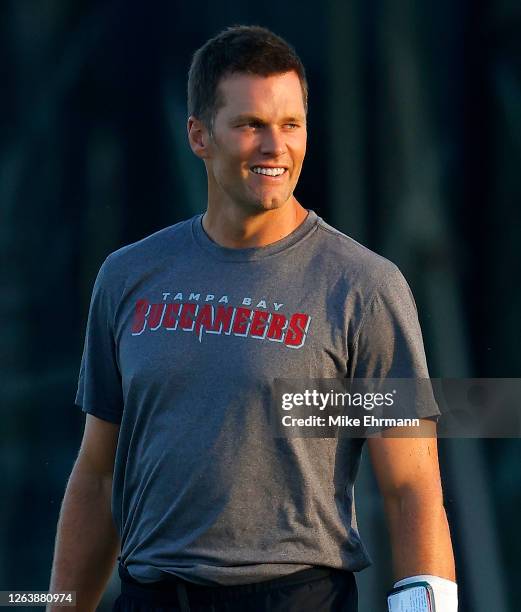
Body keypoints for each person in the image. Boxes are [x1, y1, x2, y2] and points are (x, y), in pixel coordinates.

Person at [48, 25, 457, 612]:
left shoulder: (363, 287)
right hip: (151, 596)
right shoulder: (127, 277)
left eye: (291, 125)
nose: (275, 146)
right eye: (250, 126)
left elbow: (411, 487)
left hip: (298, 597)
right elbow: (97, 475)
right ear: (199, 135)